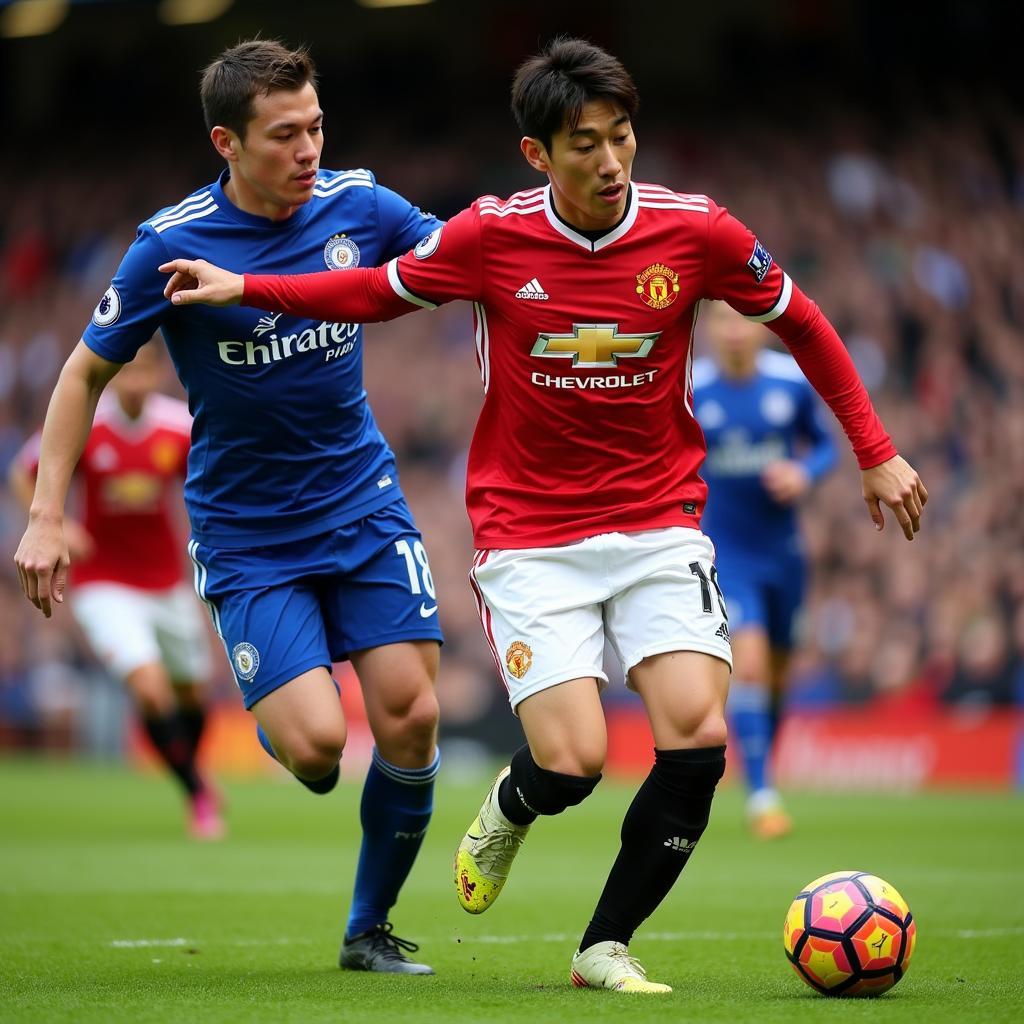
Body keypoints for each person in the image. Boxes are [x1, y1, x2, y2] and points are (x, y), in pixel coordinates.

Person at [157, 37, 928, 993]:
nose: (610, 163)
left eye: (622, 138)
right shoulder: (488, 236)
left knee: (697, 735)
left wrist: (875, 448)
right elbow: (370, 291)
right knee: (573, 764)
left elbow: (801, 321)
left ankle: (605, 945)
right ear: (538, 155)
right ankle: (513, 807)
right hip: (532, 537)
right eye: (584, 146)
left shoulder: (701, 232)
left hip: (658, 523)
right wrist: (247, 287)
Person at [13, 40, 444, 975]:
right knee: (322, 753)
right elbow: (85, 372)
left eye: (317, 126)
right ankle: (277, 700)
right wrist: (47, 513)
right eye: (285, 134)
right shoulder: (170, 243)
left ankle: (367, 929)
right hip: (250, 535)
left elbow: (455, 257)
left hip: (361, 503)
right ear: (227, 142)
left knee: (410, 717)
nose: (309, 150)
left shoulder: (360, 205)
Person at [9, 343, 223, 839]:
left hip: (166, 581)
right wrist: (54, 524)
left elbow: (208, 482)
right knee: (149, 687)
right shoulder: (88, 423)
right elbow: (24, 473)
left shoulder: (178, 426)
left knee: (191, 691)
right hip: (103, 583)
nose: (134, 381)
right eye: (125, 372)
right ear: (112, 376)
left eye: (144, 371)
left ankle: (192, 780)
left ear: (156, 375)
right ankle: (199, 795)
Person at [693, 302, 838, 839]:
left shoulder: (790, 384)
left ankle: (761, 767)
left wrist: (803, 473)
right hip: (725, 551)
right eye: (722, 322)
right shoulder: (692, 390)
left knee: (777, 676)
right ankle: (761, 795)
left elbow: (825, 447)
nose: (734, 333)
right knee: (748, 663)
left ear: (761, 328)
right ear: (708, 329)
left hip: (784, 554)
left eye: (743, 321)